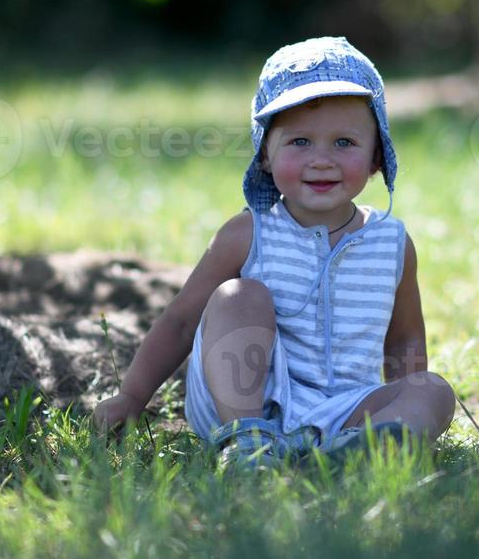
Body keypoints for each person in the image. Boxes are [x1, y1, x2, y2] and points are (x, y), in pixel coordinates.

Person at [90, 36, 456, 468]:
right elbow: (182, 319)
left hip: (344, 411)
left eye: (344, 143)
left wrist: (405, 404)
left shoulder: (391, 243)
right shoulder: (248, 233)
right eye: (300, 142)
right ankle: (248, 445)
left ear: (377, 156)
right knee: (239, 295)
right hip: (248, 403)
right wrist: (132, 396)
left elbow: (405, 339)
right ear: (266, 154)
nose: (322, 160)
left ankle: (366, 448)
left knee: (433, 390)